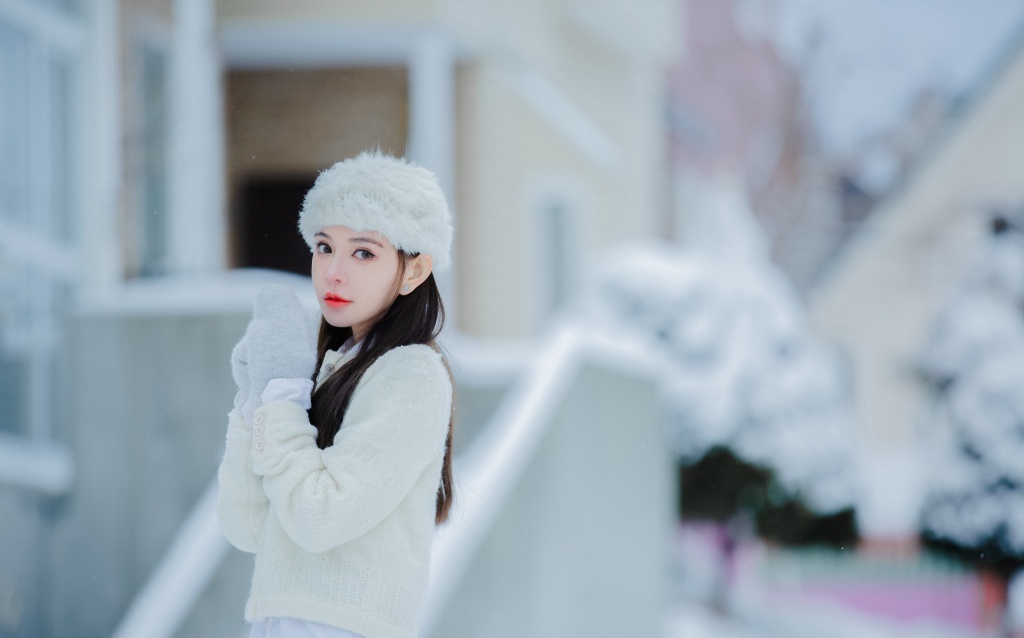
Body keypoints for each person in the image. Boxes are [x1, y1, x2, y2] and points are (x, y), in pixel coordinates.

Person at [216, 151, 455, 638]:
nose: (334, 272)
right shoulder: (328, 370)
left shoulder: (411, 373)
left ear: (414, 270)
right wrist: (254, 400)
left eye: (363, 252)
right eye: (325, 247)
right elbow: (245, 525)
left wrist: (282, 397)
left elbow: (319, 518)